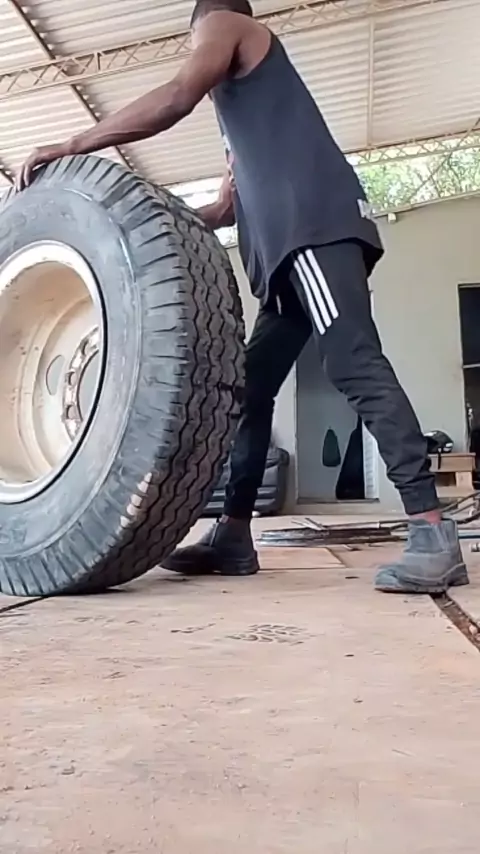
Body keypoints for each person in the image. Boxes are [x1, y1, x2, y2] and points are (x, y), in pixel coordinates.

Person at [18, 0, 468, 594]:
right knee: (248, 393)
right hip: (284, 266)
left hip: (312, 231)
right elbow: (226, 209)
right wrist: (160, 221)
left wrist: (75, 144)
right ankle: (233, 534)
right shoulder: (244, 127)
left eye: (195, 43)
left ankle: (432, 530)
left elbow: (177, 95)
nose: (198, 54)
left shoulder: (227, 24)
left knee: (353, 363)